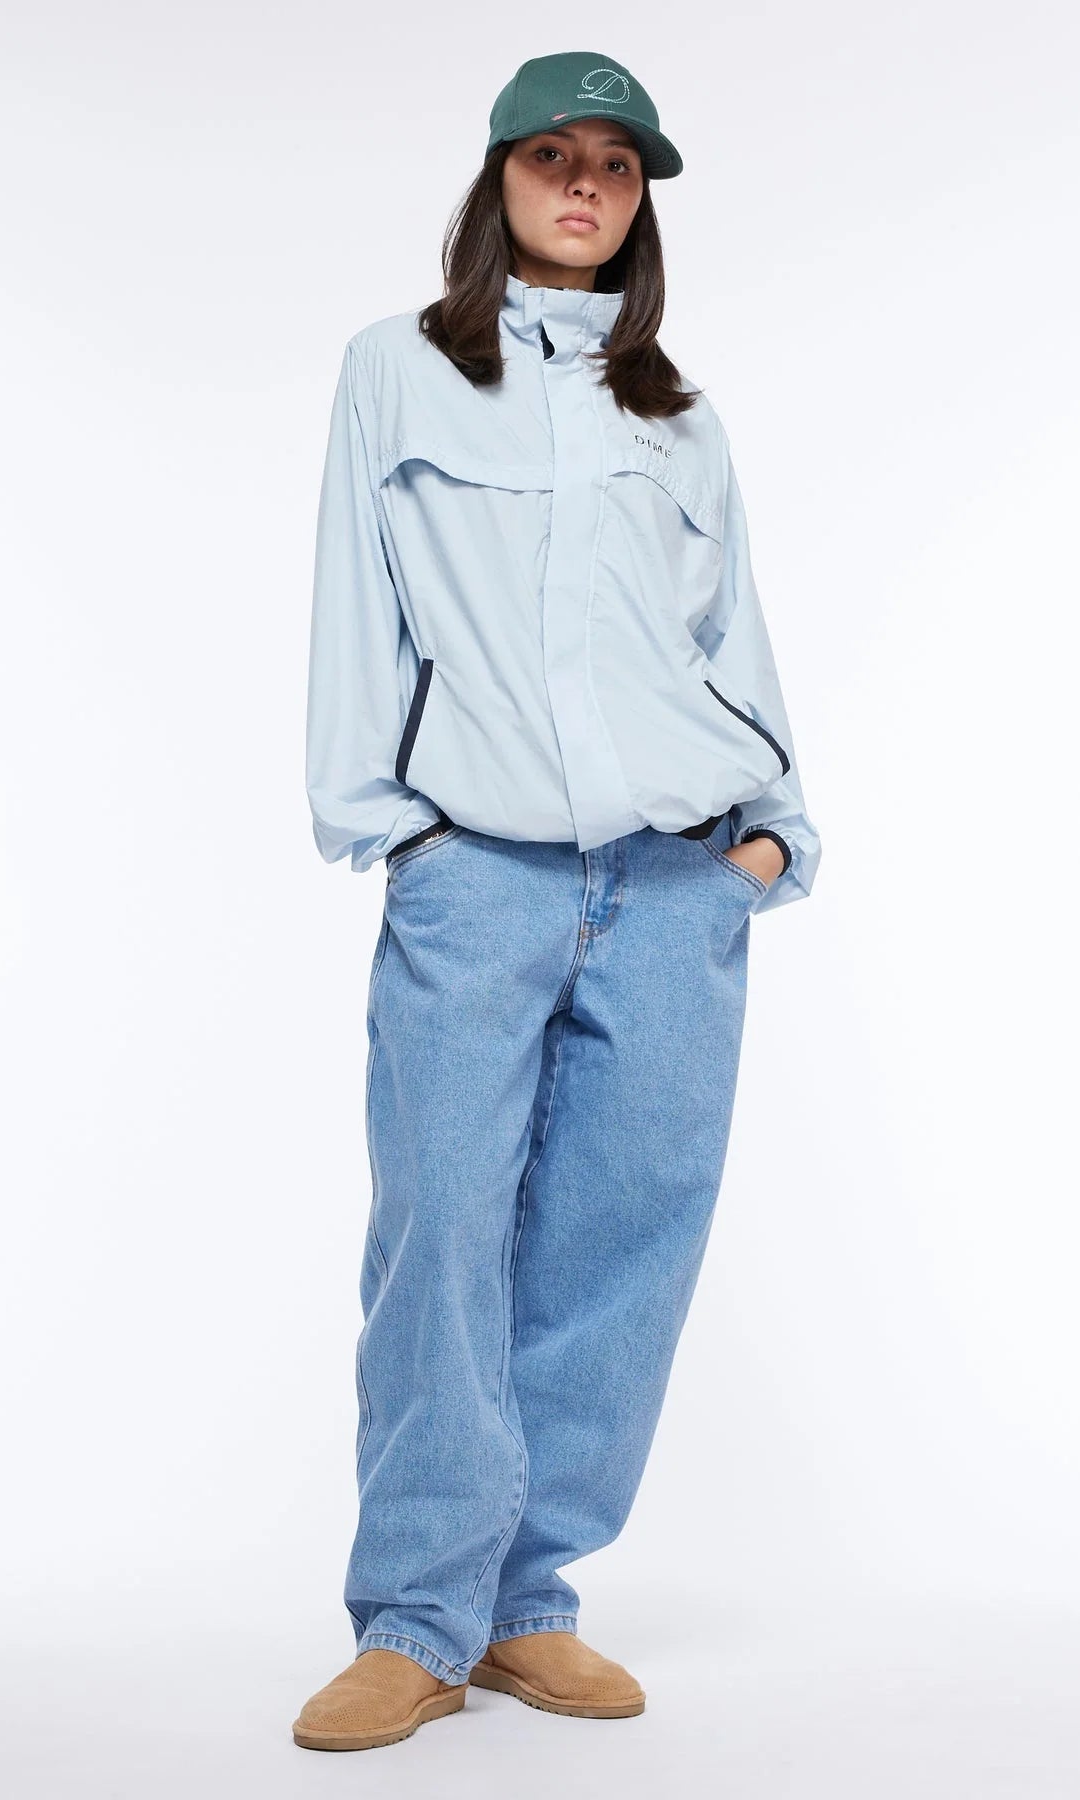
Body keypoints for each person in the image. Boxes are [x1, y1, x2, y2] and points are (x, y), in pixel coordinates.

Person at [294, 49, 821, 1752]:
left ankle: (526, 1605)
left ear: (642, 197)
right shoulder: (394, 372)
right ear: (500, 178)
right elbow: (355, 607)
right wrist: (396, 833)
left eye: (617, 163)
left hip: (675, 883)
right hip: (481, 876)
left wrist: (763, 843)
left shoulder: (681, 416)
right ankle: (415, 1619)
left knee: (618, 1245)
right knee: (440, 1235)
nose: (585, 185)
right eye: (553, 156)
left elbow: (727, 636)